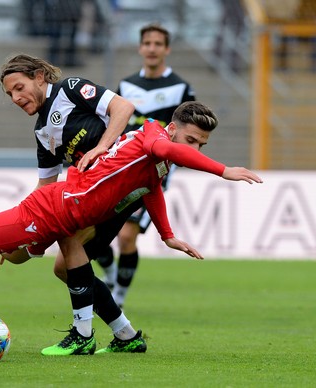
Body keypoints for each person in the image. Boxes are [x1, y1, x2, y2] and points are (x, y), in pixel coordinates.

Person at [0, 101, 262, 353]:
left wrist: (167, 235)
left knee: (13, 255)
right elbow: (166, 153)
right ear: (175, 128)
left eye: (203, 146)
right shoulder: (154, 134)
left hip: (68, 211)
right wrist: (222, 170)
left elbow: (152, 190)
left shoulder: (159, 159)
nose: (196, 150)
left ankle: (122, 336)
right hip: (58, 207)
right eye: (192, 141)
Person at [95, 23, 196, 307]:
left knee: (127, 237)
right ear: (141, 48)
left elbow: (190, 129)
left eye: (157, 44)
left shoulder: (181, 88)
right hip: (122, 166)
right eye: (147, 43)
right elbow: (113, 122)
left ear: (166, 49)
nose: (152, 48)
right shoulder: (127, 86)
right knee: (95, 230)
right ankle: (112, 275)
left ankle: (119, 298)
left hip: (155, 171)